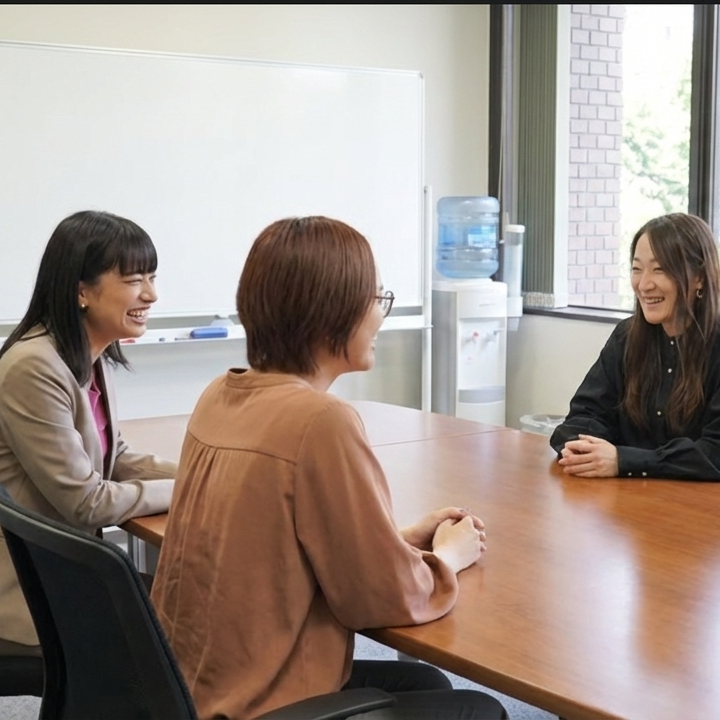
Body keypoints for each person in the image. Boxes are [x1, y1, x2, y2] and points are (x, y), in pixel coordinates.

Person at [150, 216, 506, 720]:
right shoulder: (320, 420)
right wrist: (447, 559)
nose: (380, 315)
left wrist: (397, 539)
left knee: (423, 679)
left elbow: (271, 545)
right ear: (330, 312)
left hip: (192, 689)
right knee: (479, 710)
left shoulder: (221, 394)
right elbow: (381, 599)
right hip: (260, 700)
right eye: (375, 298)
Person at [0, 210, 176, 656]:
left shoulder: (90, 353)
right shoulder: (35, 366)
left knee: (185, 607)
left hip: (48, 571)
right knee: (171, 633)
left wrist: (205, 471)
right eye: (135, 280)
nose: (151, 294)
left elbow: (113, 457)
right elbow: (87, 502)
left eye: (151, 277)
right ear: (82, 290)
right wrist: (189, 488)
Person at [549, 212, 720, 485]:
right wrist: (583, 448)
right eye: (637, 269)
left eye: (659, 269)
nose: (644, 284)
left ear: (699, 277)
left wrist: (624, 460)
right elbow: (584, 416)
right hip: (644, 496)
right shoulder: (627, 336)